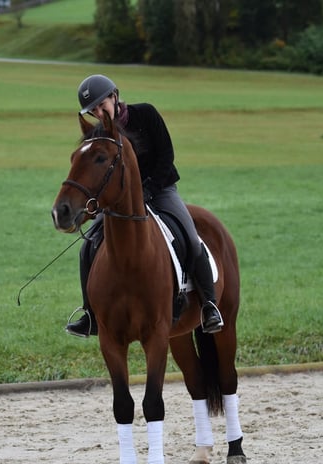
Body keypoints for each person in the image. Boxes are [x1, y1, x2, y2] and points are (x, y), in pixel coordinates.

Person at [66, 74, 224, 337]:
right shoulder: (100, 134)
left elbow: (166, 155)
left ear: (114, 97)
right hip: (121, 202)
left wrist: (149, 190)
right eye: (92, 109)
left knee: (191, 238)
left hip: (161, 191)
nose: (97, 111)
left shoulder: (146, 114)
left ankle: (209, 305)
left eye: (100, 104)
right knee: (88, 246)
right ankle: (90, 314)